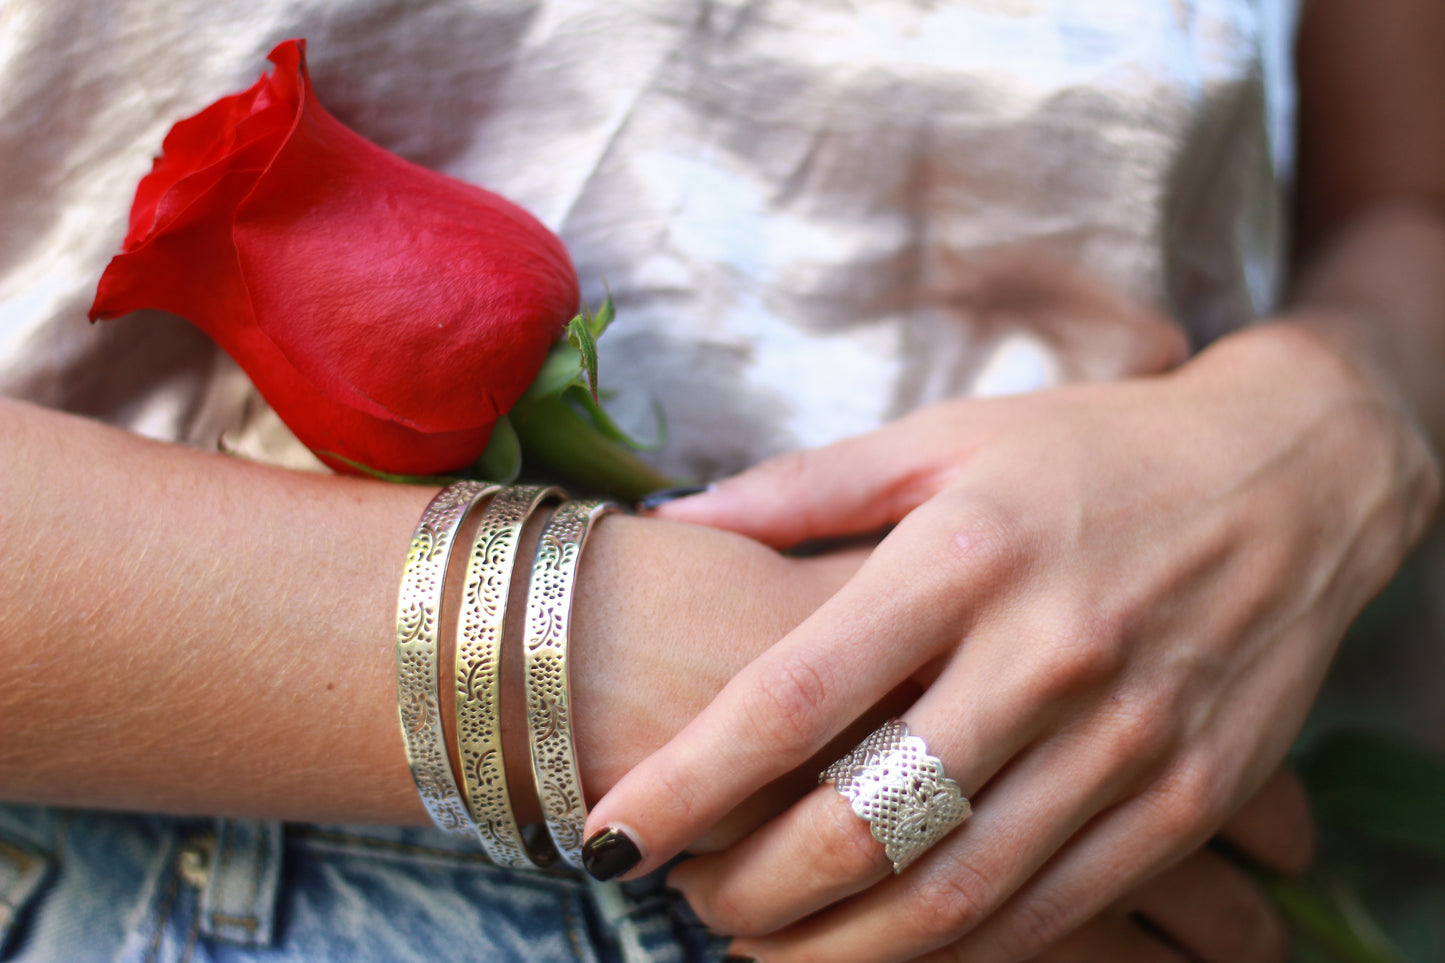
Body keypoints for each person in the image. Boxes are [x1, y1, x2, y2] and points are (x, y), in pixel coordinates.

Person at [0, 2, 1437, 963]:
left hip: (1138, 796)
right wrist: (643, 657)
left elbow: (1406, 200)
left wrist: (1335, 412)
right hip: (224, 877)